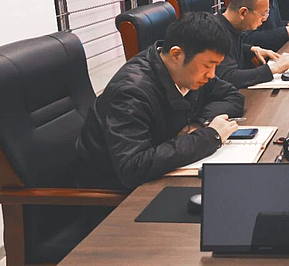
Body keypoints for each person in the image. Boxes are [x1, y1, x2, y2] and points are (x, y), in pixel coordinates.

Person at [75, 12, 245, 191]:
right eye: (208, 66)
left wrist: (198, 123)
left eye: (216, 66)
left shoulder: (189, 72)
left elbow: (234, 97)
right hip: (114, 193)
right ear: (176, 54)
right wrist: (210, 136)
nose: (211, 74)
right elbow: (133, 166)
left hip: (159, 174)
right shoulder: (131, 92)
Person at [214, 0, 289, 89]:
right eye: (262, 14)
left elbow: (230, 50)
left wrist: (252, 49)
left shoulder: (230, 25)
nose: (265, 19)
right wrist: (273, 69)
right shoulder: (215, 33)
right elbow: (228, 77)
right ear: (243, 12)